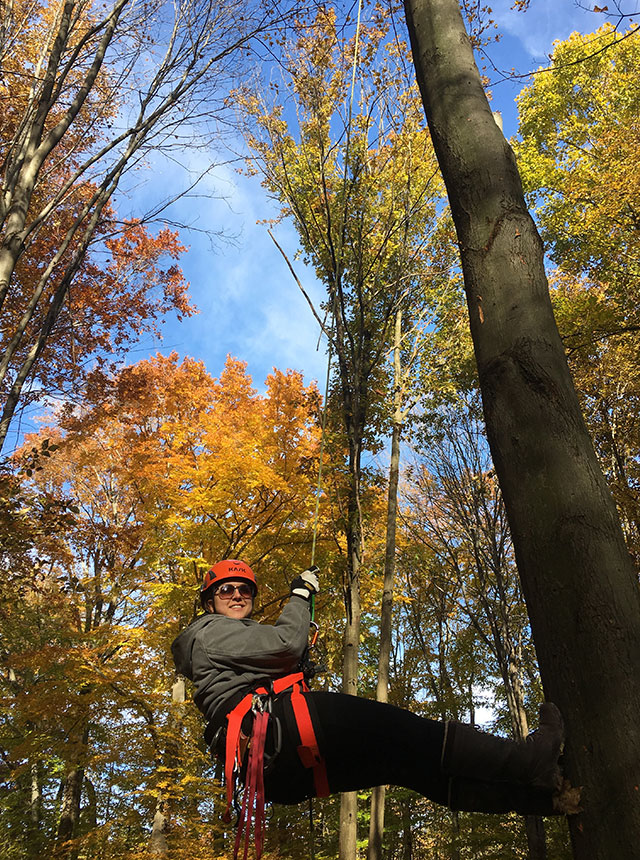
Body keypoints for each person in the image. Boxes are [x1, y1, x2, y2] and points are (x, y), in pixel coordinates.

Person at [171, 559, 575, 819]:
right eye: (226, 590)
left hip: (277, 769)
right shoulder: (208, 632)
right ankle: (529, 762)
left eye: (245, 590)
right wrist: (299, 595)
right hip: (281, 729)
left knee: (410, 766)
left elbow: (279, 660)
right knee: (415, 734)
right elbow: (285, 643)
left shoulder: (222, 643)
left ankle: (544, 799)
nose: (238, 595)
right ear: (209, 602)